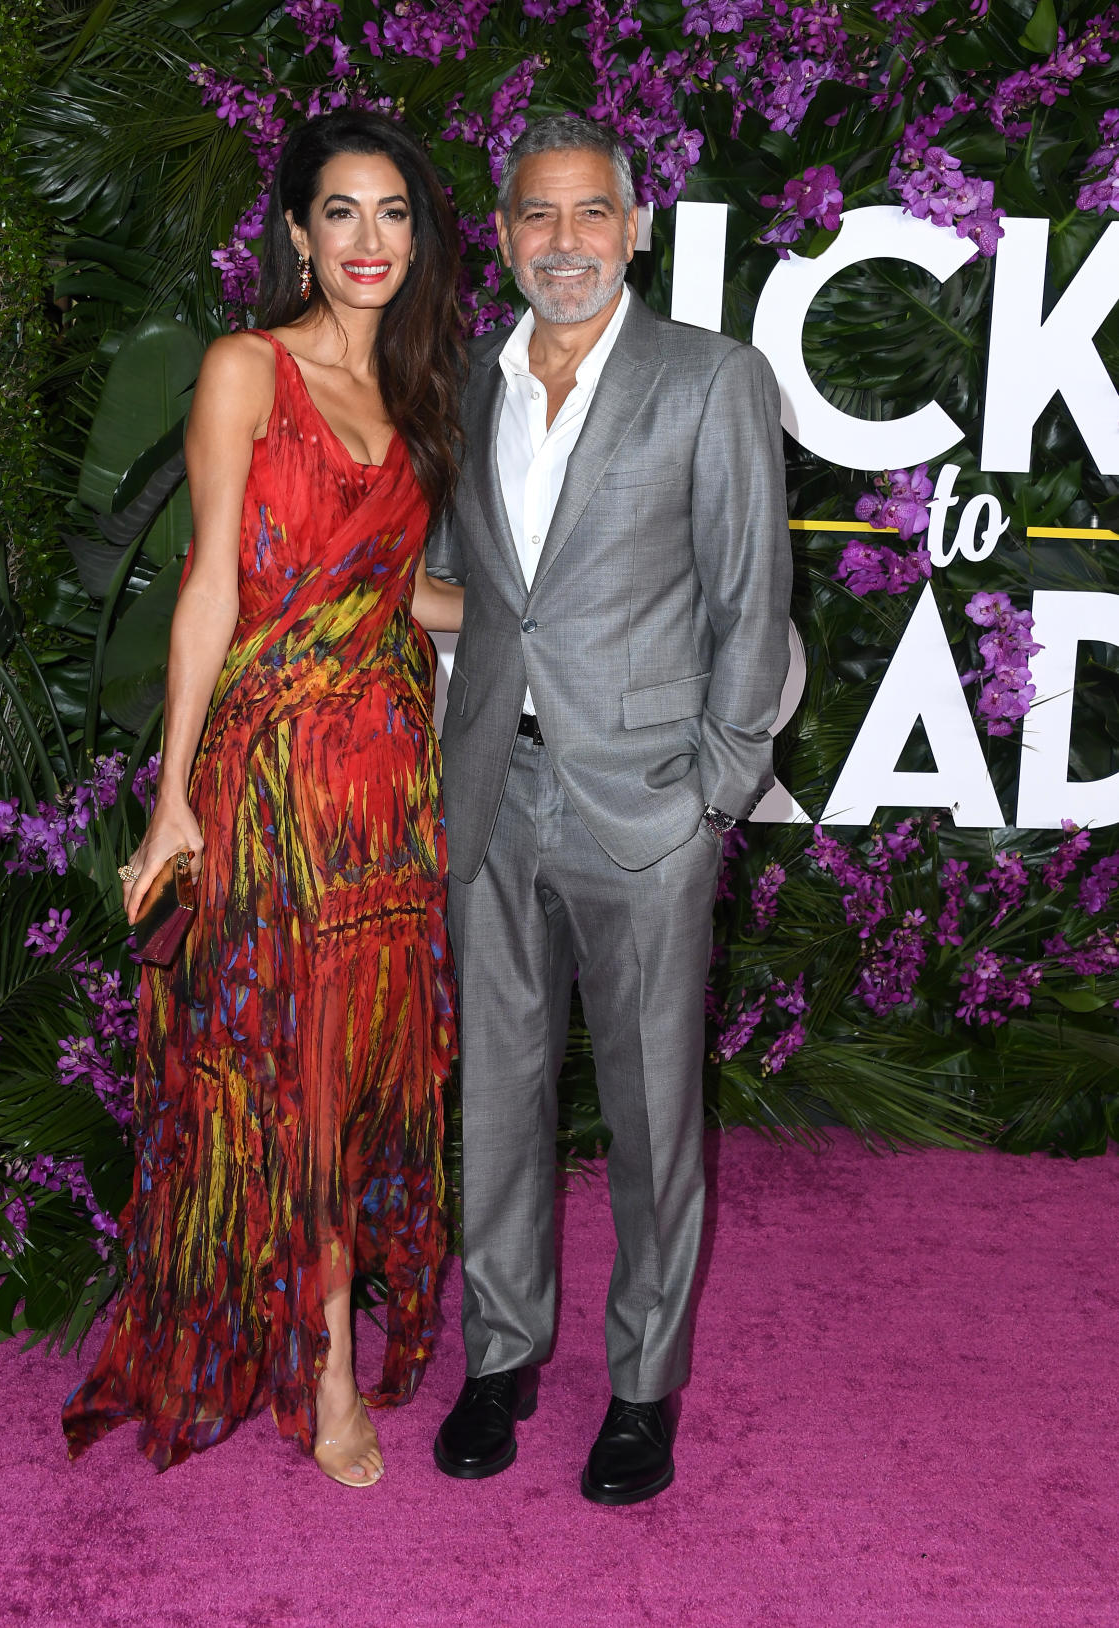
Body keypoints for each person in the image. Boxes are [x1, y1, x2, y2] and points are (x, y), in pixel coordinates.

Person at [62, 109, 466, 1487]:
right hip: (276, 782)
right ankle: (327, 1372)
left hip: (390, 796)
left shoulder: (416, 390)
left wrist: (557, 626)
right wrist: (172, 795)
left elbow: (394, 587)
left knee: (365, 1078)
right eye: (339, 213)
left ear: (419, 235)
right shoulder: (248, 367)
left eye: (392, 213)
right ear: (295, 230)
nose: (367, 240)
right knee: (288, 1076)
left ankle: (316, 1324)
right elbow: (214, 586)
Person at [427, 115, 792, 1506]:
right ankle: (502, 1353)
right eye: (536, 216)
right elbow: (475, 591)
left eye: (590, 215)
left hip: (643, 809)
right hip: (494, 794)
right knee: (500, 1102)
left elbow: (751, 603)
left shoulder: (710, 381)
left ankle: (641, 1388)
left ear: (633, 228)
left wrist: (715, 788)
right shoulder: (467, 382)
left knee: (651, 1118)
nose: (563, 243)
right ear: (504, 235)